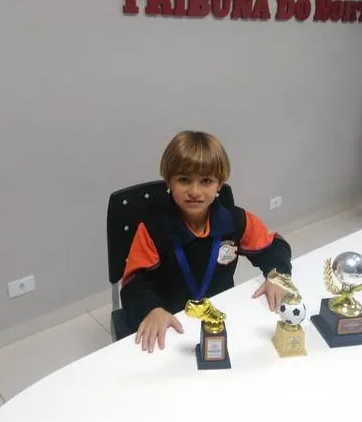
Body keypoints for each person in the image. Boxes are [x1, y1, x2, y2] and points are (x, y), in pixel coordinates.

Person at [120, 130, 294, 353]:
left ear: (219, 185)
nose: (194, 191)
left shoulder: (235, 220)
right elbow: (134, 282)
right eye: (184, 180)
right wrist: (151, 309)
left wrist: (277, 274)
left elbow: (273, 247)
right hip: (173, 322)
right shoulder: (152, 229)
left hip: (222, 313)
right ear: (169, 182)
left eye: (206, 181)